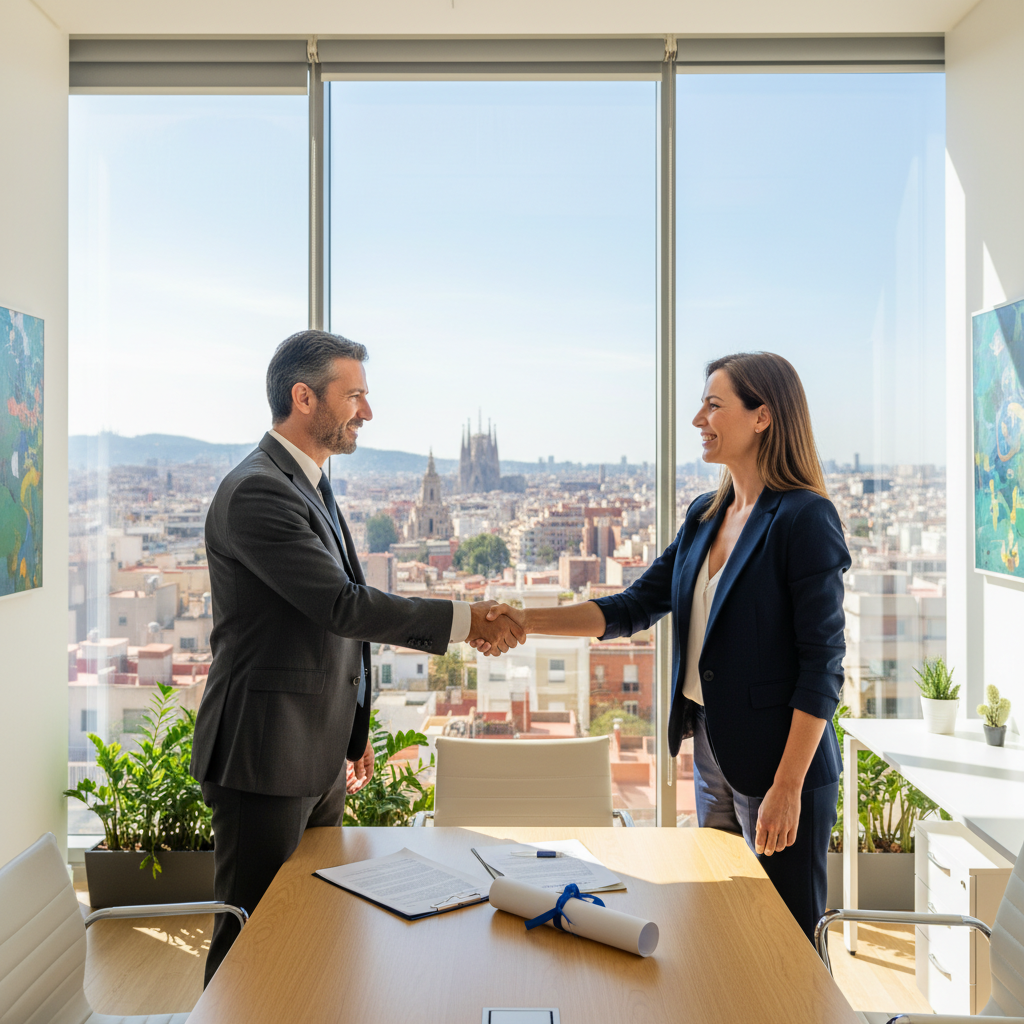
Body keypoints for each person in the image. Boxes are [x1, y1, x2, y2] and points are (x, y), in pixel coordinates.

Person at [481, 351, 850, 941]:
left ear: (762, 417)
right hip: (713, 751)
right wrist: (524, 619)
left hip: (782, 764)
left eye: (714, 404)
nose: (699, 418)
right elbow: (629, 608)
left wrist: (788, 787)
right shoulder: (705, 517)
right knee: (723, 928)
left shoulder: (805, 518)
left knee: (787, 942)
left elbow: (823, 667)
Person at [191, 330, 523, 984]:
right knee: (250, 940)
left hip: (309, 750)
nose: (367, 413)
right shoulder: (260, 491)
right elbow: (342, 606)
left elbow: (328, 626)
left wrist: (351, 729)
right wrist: (465, 619)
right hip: (263, 753)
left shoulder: (305, 480)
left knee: (307, 927)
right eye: (356, 396)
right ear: (304, 396)